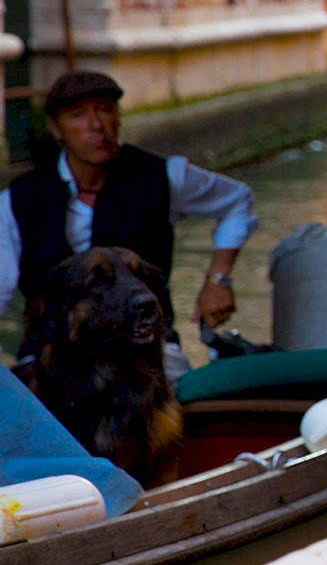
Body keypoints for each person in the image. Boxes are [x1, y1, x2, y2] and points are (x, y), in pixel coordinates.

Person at [1, 71, 259, 382]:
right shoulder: (18, 199)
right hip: (50, 352)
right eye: (78, 116)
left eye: (106, 110)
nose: (97, 126)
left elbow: (236, 200)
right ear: (56, 129)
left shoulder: (163, 176)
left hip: (149, 346)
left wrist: (218, 278)